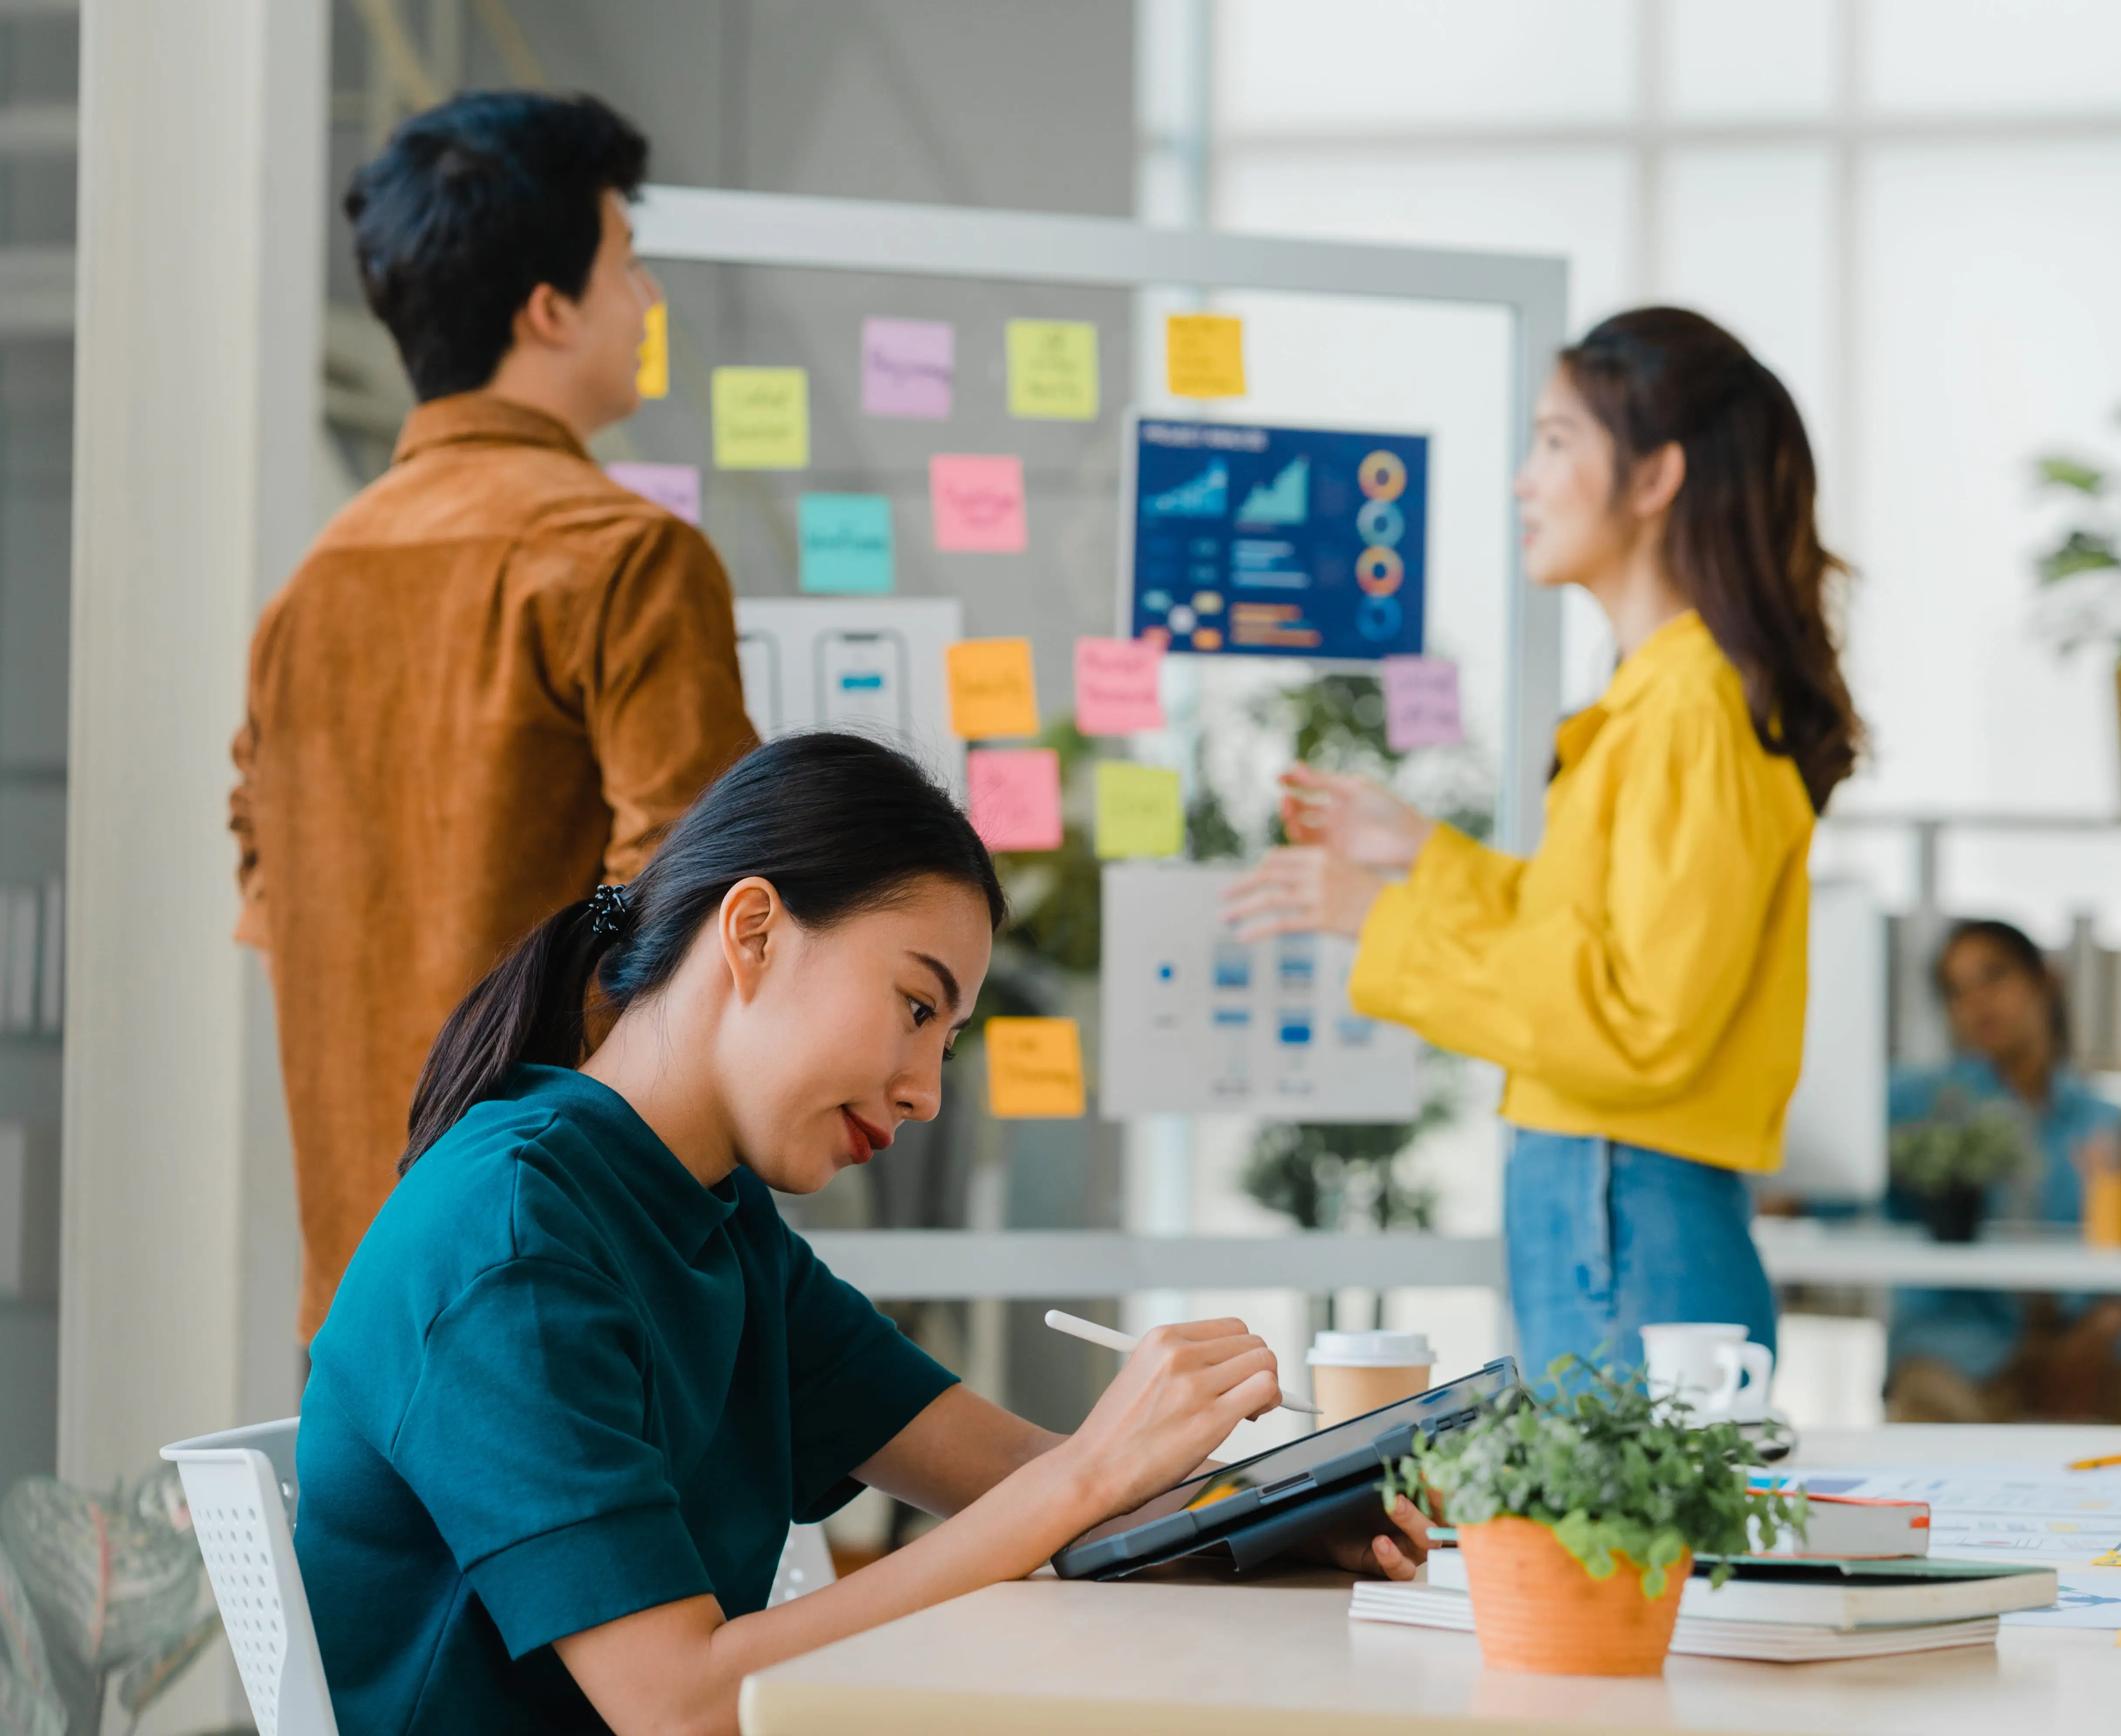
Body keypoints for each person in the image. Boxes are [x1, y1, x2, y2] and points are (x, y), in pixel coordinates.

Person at [295, 733, 1430, 1736]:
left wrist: (1272, 1520)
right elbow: (681, 1705)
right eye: (917, 1007)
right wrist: (1089, 1473)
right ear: (753, 932)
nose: (930, 1089)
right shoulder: (514, 1241)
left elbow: (1010, 1475)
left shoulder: (711, 1213)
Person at [1223, 307, 1861, 1386]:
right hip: (1616, 1198)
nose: (1525, 478)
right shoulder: (1663, 697)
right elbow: (1592, 943)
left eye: (1558, 440)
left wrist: (1376, 919)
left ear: (1657, 476)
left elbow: (1638, 1020)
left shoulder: (1686, 712)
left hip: (1627, 1201)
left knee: (1621, 1553)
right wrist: (1426, 855)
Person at [229, 91, 756, 1337]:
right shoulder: (627, 559)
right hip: (556, 1266)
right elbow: (701, 930)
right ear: (548, 307)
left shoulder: (308, 594)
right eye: (629, 265)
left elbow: (274, 911)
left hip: (358, 1298)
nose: (648, 303)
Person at [1884, 919, 2121, 1424]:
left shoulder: (2108, 1119)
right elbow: (1840, 1187)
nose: (1977, 1003)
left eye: (1993, 977)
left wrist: (2108, 1322)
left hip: (2089, 1344)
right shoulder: (1920, 1105)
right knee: (1925, 1407)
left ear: (2046, 979)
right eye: (1957, 991)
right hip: (1966, 1344)